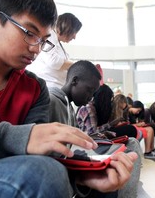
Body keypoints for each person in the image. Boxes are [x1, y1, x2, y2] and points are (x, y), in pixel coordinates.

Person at [0, 0, 137, 197]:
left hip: (9, 176)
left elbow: (35, 158)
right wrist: (16, 138)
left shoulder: (35, 89)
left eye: (43, 41)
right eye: (29, 33)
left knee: (112, 166)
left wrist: (80, 175)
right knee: (43, 173)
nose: (36, 49)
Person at [48, 61, 141, 198]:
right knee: (115, 163)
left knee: (127, 148)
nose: (91, 97)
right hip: (65, 163)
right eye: (89, 90)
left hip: (75, 156)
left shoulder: (69, 106)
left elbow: (77, 138)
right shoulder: (53, 102)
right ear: (75, 81)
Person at [27, 12, 82, 88]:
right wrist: (77, 66)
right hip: (48, 87)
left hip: (54, 88)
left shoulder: (56, 41)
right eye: (75, 32)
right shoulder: (49, 36)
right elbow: (54, 61)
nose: (74, 37)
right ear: (67, 27)